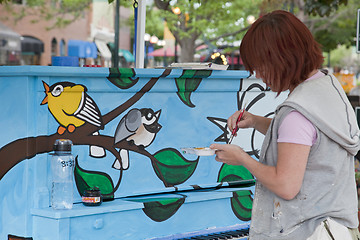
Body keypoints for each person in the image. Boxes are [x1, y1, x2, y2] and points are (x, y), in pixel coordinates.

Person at [210, 10, 360, 240]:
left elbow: (286, 185)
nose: (259, 75)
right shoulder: (327, 86)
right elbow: (309, 140)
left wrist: (242, 158)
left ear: (281, 59)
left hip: (307, 232)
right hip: (338, 229)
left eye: (260, 66)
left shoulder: (297, 114)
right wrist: (257, 122)